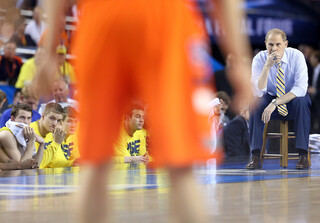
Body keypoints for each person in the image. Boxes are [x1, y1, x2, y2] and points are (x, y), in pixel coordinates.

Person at [34, 0, 253, 222]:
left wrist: (50, 49)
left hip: (102, 19)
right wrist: (240, 58)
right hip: (164, 18)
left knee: (95, 165)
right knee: (180, 167)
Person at [247, 28, 311, 170]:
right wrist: (267, 67)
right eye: (270, 45)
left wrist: (275, 103)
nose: (274, 48)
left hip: (292, 99)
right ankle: (255, 156)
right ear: (265, 44)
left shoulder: (297, 56)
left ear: (286, 44)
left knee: (301, 101)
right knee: (254, 104)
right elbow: (257, 92)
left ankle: (302, 156)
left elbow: (300, 88)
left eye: (278, 44)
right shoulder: (259, 59)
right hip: (270, 96)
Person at [0, 103, 44, 168]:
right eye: (22, 117)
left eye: (28, 118)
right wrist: (31, 141)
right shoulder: (6, 134)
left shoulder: (25, 134)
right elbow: (21, 166)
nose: (26, 122)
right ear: (13, 119)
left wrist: (42, 144)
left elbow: (35, 165)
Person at [30, 102, 72, 168]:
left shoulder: (53, 132)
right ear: (43, 116)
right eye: (52, 118)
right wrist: (56, 143)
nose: (55, 123)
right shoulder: (31, 131)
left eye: (58, 120)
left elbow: (60, 162)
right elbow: (36, 165)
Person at [308, 51, 320, 133]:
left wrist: (315, 91)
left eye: (311, 58)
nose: (310, 60)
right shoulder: (315, 70)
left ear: (316, 59)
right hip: (315, 102)